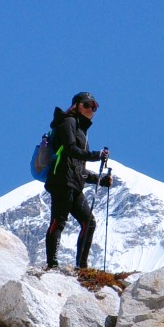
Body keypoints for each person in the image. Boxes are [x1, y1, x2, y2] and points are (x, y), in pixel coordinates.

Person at [44, 91, 113, 270]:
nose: (91, 109)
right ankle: (52, 264)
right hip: (61, 180)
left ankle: (81, 267)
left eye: (94, 106)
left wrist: (100, 180)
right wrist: (96, 155)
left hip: (73, 183)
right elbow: (70, 150)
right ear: (76, 105)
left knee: (88, 222)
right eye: (87, 105)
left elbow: (78, 167)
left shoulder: (81, 130)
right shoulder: (68, 122)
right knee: (58, 221)